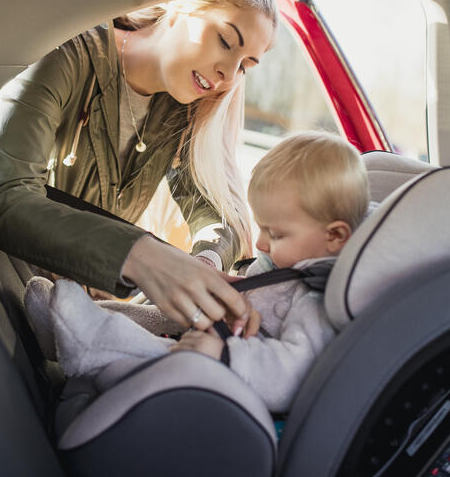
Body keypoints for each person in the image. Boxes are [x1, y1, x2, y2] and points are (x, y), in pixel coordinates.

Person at [0, 0, 277, 332]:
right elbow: (4, 199)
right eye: (225, 40)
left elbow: (215, 212)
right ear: (181, 4)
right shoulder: (69, 56)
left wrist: (205, 263)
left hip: (84, 312)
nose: (228, 73)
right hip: (13, 294)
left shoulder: (185, 105)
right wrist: (141, 256)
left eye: (246, 66)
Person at [24, 131, 371, 413]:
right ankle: (63, 323)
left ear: (334, 236)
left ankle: (87, 337)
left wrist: (222, 355)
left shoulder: (317, 300)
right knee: (159, 314)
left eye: (276, 234)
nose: (261, 243)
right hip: (217, 332)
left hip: (218, 378)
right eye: (261, 228)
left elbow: (290, 375)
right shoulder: (291, 265)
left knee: (157, 349)